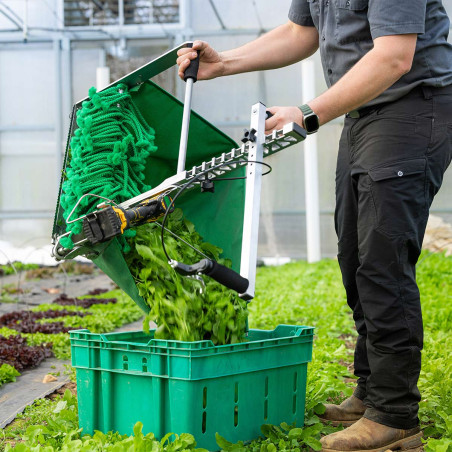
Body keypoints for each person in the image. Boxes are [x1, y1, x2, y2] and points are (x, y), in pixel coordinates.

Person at [177, 1, 452, 450]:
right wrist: (224, 63)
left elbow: (395, 55)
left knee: (383, 261)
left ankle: (395, 414)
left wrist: (308, 113)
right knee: (355, 257)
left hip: (411, 108)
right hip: (366, 113)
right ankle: (370, 391)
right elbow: (300, 32)